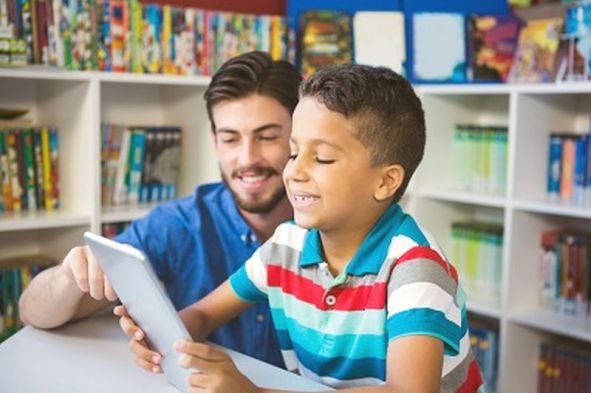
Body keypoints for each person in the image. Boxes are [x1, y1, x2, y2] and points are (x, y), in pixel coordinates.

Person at [117, 64, 485, 392]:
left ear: (386, 181)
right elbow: (204, 314)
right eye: (294, 152)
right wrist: (161, 336)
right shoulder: (288, 245)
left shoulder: (415, 269)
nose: (293, 171)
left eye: (322, 157)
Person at [18, 51, 302, 368]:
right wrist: (70, 277)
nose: (248, 158)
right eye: (231, 139)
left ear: (299, 136)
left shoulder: (339, 225)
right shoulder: (179, 224)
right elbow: (31, 311)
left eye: (267, 137)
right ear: (214, 140)